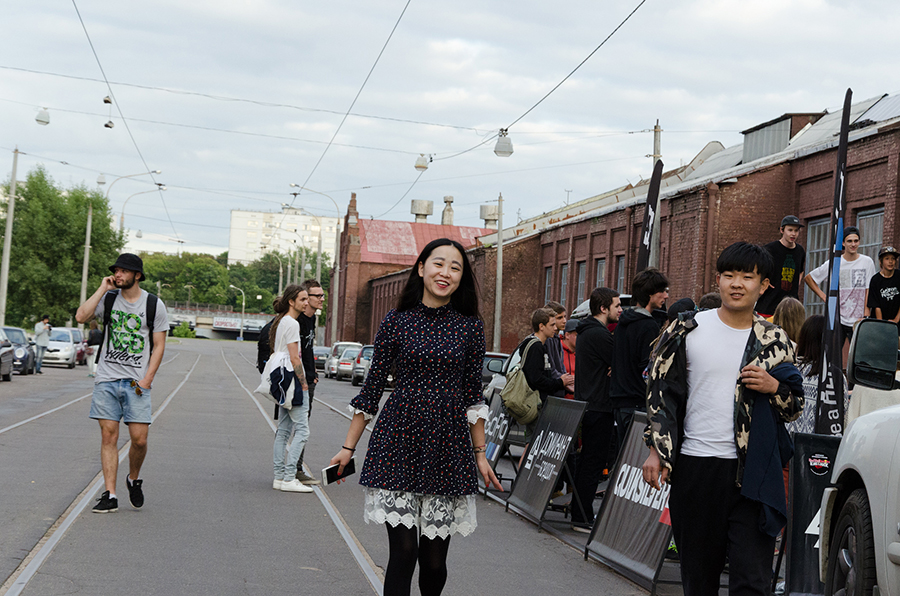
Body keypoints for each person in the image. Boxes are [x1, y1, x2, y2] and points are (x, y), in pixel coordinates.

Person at [329, 238, 502, 596]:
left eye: (455, 267)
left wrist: (480, 454)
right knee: (404, 553)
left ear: (461, 278)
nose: (446, 273)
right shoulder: (396, 321)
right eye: (438, 263)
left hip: (447, 444)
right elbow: (372, 390)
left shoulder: (470, 326)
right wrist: (348, 448)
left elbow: (473, 395)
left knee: (434, 561)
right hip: (399, 439)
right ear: (421, 268)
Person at [642, 242, 804, 596]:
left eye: (747, 277)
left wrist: (774, 386)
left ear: (764, 285)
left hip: (754, 474)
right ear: (718, 279)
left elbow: (794, 407)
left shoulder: (774, 340)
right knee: (699, 580)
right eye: (729, 275)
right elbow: (660, 392)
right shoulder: (687, 328)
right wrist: (657, 449)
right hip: (696, 469)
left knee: (753, 582)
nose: (737, 284)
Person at [75, 253, 168, 513]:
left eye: (123, 271)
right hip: (107, 378)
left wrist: (147, 379)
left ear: (137, 275)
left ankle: (133, 478)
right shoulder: (109, 299)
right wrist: (102, 289)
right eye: (116, 270)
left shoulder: (153, 304)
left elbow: (159, 345)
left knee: (139, 440)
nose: (118, 274)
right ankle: (110, 494)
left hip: (136, 383)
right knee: (109, 435)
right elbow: (81, 316)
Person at [571, 287, 621, 531]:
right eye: (617, 306)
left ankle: (579, 512)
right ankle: (582, 516)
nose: (620, 310)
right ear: (603, 308)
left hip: (590, 404)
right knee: (592, 464)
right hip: (599, 407)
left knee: (587, 463)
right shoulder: (599, 335)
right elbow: (621, 362)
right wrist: (617, 366)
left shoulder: (587, 332)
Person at [609, 268, 668, 450]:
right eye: (662, 291)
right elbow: (647, 368)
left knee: (624, 457)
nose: (666, 296)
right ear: (650, 294)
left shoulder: (623, 322)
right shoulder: (647, 325)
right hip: (637, 403)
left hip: (620, 401)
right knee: (637, 458)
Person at [269, 285, 314, 493]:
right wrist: (303, 383)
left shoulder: (281, 322)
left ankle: (279, 477)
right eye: (302, 299)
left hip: (282, 380)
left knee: (284, 431)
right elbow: (295, 357)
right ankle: (289, 477)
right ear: (291, 301)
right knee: (302, 431)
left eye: (307, 299)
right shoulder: (293, 324)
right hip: (292, 380)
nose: (306, 303)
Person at [805, 226, 877, 349]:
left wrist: (866, 313)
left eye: (856, 241)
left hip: (859, 319)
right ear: (843, 243)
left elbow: (868, 289)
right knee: (833, 354)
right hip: (838, 318)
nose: (853, 244)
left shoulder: (867, 262)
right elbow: (809, 278)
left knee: (859, 354)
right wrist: (824, 297)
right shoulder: (835, 262)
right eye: (849, 241)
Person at [788, 315, 848, 435]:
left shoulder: (789, 370)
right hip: (819, 444)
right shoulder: (834, 376)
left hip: (788, 442)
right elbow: (843, 415)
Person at [294, 279, 324, 485]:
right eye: (317, 296)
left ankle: (293, 468)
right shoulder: (297, 321)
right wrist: (303, 379)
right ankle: (294, 469)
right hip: (298, 381)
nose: (322, 299)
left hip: (308, 379)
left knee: (301, 425)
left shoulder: (312, 319)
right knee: (298, 427)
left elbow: (308, 349)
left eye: (323, 295)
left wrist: (313, 371)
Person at [755, 215, 806, 317]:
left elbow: (800, 270)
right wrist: (761, 281)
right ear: (782, 230)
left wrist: (797, 282)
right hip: (769, 304)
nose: (793, 234)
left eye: (796, 231)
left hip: (790, 306)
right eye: (790, 230)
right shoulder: (769, 249)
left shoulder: (800, 251)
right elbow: (755, 267)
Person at [866, 246, 900, 324]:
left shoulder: (898, 276)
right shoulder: (875, 280)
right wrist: (882, 324)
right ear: (881, 261)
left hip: (897, 320)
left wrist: (896, 320)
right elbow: (876, 305)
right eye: (887, 259)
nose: (890, 261)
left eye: (893, 259)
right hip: (879, 321)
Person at [543, 300, 568, 387]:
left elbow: (560, 366)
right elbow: (551, 369)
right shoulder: (547, 339)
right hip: (552, 386)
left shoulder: (557, 338)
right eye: (559, 318)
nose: (564, 321)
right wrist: (562, 379)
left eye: (565, 317)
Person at [560, 319, 578, 398]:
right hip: (560, 400)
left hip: (577, 400)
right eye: (577, 335)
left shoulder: (582, 353)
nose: (580, 338)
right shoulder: (557, 351)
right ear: (567, 335)